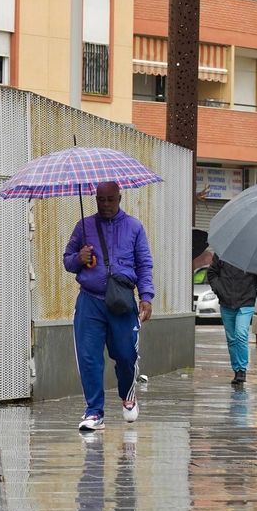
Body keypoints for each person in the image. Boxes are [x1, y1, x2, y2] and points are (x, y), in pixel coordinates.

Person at [63, 181, 155, 431]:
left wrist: (146, 296)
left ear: (119, 198)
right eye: (100, 199)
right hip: (90, 301)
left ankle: (127, 394)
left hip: (122, 302)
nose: (105, 204)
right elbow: (67, 261)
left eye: (110, 199)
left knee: (126, 356)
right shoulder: (84, 227)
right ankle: (94, 412)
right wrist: (78, 258)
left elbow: (144, 264)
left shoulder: (134, 227)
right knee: (89, 358)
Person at [208, 254, 257, 386]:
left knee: (241, 334)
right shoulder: (222, 253)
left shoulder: (252, 254)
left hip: (246, 301)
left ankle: (242, 370)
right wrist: (219, 289)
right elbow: (211, 272)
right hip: (226, 302)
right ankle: (236, 369)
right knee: (231, 339)